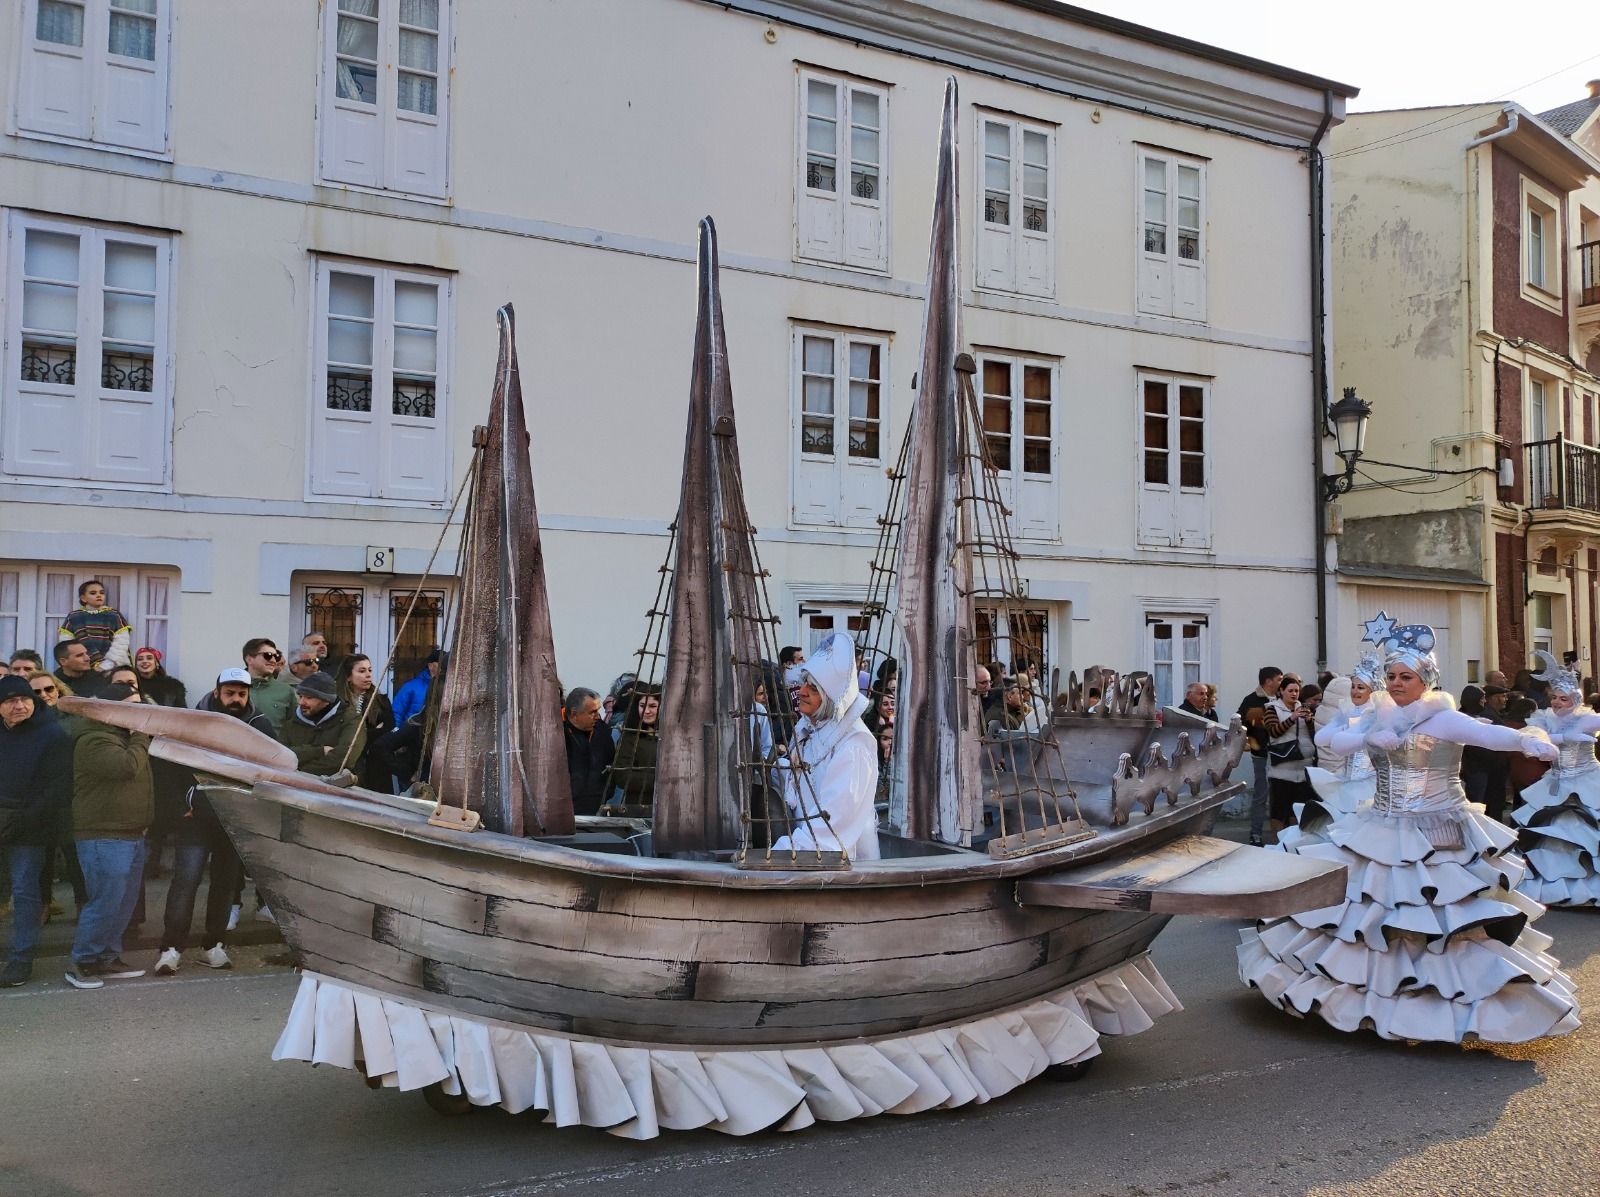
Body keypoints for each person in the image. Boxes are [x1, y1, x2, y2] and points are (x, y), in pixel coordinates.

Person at [1240, 622, 1577, 1044]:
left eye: (1406, 677)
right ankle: (1368, 998)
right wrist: (1359, 731)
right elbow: (1335, 742)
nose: (1396, 684)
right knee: (1372, 915)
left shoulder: (1444, 719)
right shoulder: (1379, 717)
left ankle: (1443, 1003)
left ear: (1426, 681)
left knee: (1437, 917)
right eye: (1392, 676)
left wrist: (1529, 740)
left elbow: (1490, 735)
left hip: (1438, 829)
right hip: (1381, 825)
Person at [153, 670, 269, 976]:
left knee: (225, 884)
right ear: (217, 691)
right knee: (185, 882)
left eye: (241, 693)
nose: (236, 699)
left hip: (234, 818)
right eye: (230, 692)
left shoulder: (260, 725)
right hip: (195, 818)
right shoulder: (195, 721)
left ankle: (213, 946)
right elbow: (168, 764)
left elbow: (270, 768)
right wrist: (182, 805)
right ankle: (170, 949)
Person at [66, 681, 153, 989]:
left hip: (129, 833)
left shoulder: (121, 736)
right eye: (132, 705)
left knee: (123, 902)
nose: (139, 711)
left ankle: (107, 957)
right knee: (105, 901)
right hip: (103, 835)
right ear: (111, 710)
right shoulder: (93, 739)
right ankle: (83, 961)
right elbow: (127, 767)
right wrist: (143, 733)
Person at [770, 633, 879, 862]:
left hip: (846, 873)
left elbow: (832, 827)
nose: (802, 692)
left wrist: (779, 852)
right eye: (804, 683)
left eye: (814, 688)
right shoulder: (809, 729)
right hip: (812, 863)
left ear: (831, 697)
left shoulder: (854, 745)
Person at [0, 676, 74, 987]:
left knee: (25, 892)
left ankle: (21, 960)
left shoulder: (52, 734)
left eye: (24, 699)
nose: (18, 706)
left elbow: (57, 787)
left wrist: (23, 819)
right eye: (9, 701)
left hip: (31, 827)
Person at [1511, 653, 1600, 906]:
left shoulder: (1586, 719)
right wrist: (1564, 739)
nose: (1559, 703)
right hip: (1556, 782)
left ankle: (1585, 885)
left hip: (1587, 781)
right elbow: (1533, 736)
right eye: (1555, 698)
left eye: (1564, 698)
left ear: (1576, 699)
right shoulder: (1544, 719)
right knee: (1552, 833)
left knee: (1580, 831)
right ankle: (1556, 886)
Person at [1281, 652, 1387, 853]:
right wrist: (1340, 725)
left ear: (1372, 691)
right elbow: (1322, 739)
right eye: (1353, 686)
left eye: (1361, 687)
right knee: (1334, 830)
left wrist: (1349, 732)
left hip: (1370, 785)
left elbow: (1352, 743)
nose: (1355, 691)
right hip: (1347, 782)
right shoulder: (1347, 711)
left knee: (1363, 836)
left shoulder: (1377, 715)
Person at [280, 671, 367, 779]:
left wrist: (300, 772)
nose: (301, 702)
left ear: (326, 700)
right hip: (294, 787)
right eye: (300, 696)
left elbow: (344, 759)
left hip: (338, 789)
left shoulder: (351, 720)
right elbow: (281, 755)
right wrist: (318, 751)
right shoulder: (292, 723)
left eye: (309, 697)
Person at [1262, 674, 1316, 843]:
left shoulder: (1304, 708)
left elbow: (1315, 736)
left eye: (1297, 691)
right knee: (1279, 809)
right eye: (1290, 690)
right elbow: (1273, 732)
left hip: (1302, 767)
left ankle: (1294, 843)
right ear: (1281, 691)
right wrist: (1292, 718)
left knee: (1297, 809)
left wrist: (1309, 721)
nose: (1294, 694)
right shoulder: (1272, 708)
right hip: (1282, 769)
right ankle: (1278, 843)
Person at [1236, 666, 1283, 846]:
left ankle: (1280, 834)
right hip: (1261, 755)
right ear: (1268, 681)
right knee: (1261, 794)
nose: (1281, 682)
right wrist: (1249, 741)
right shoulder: (1251, 700)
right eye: (1279, 679)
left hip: (1281, 754)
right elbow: (1239, 724)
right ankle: (1255, 833)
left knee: (1279, 795)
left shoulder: (1283, 698)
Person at [334, 653, 393, 788]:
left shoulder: (381, 701)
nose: (368, 675)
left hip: (375, 766)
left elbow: (387, 732)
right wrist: (372, 731)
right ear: (348, 676)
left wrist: (365, 734)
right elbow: (338, 734)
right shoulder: (337, 703)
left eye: (370, 670)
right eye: (362, 671)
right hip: (347, 765)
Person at [57, 579, 131, 673]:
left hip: (111, 668)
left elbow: (121, 642)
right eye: (93, 593)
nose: (99, 595)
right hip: (82, 667)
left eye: (102, 592)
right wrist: (77, 661)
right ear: (83, 598)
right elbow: (66, 643)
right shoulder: (74, 616)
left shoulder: (114, 615)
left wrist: (107, 664)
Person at [563, 687, 614, 816]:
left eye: (598, 711)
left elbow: (611, 766)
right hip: (566, 810)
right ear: (574, 714)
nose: (598, 716)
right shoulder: (557, 732)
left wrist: (605, 793)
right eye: (593, 712)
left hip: (597, 808)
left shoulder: (603, 732)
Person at [607, 685, 661, 808]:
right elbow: (622, 776)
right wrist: (660, 780)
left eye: (652, 706)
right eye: (642, 706)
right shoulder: (629, 737)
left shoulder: (675, 736)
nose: (646, 711)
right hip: (640, 806)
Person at [241, 638, 295, 731]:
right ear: (249, 659)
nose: (274, 660)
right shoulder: (232, 687)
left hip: (274, 744)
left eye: (276, 657)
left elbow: (293, 728)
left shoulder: (286, 690)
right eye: (268, 655)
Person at [391, 649, 440, 729]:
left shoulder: (448, 688)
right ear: (430, 666)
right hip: (412, 736)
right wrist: (396, 732)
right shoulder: (411, 687)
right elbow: (396, 712)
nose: (445, 667)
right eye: (440, 663)